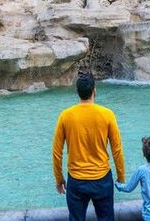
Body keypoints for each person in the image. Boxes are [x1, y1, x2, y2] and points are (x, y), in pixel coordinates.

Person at [52, 72, 125, 221]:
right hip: (102, 179)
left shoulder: (65, 116)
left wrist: (59, 179)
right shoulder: (108, 114)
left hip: (76, 181)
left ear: (77, 92)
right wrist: (121, 176)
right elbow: (117, 149)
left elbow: (56, 152)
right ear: (94, 90)